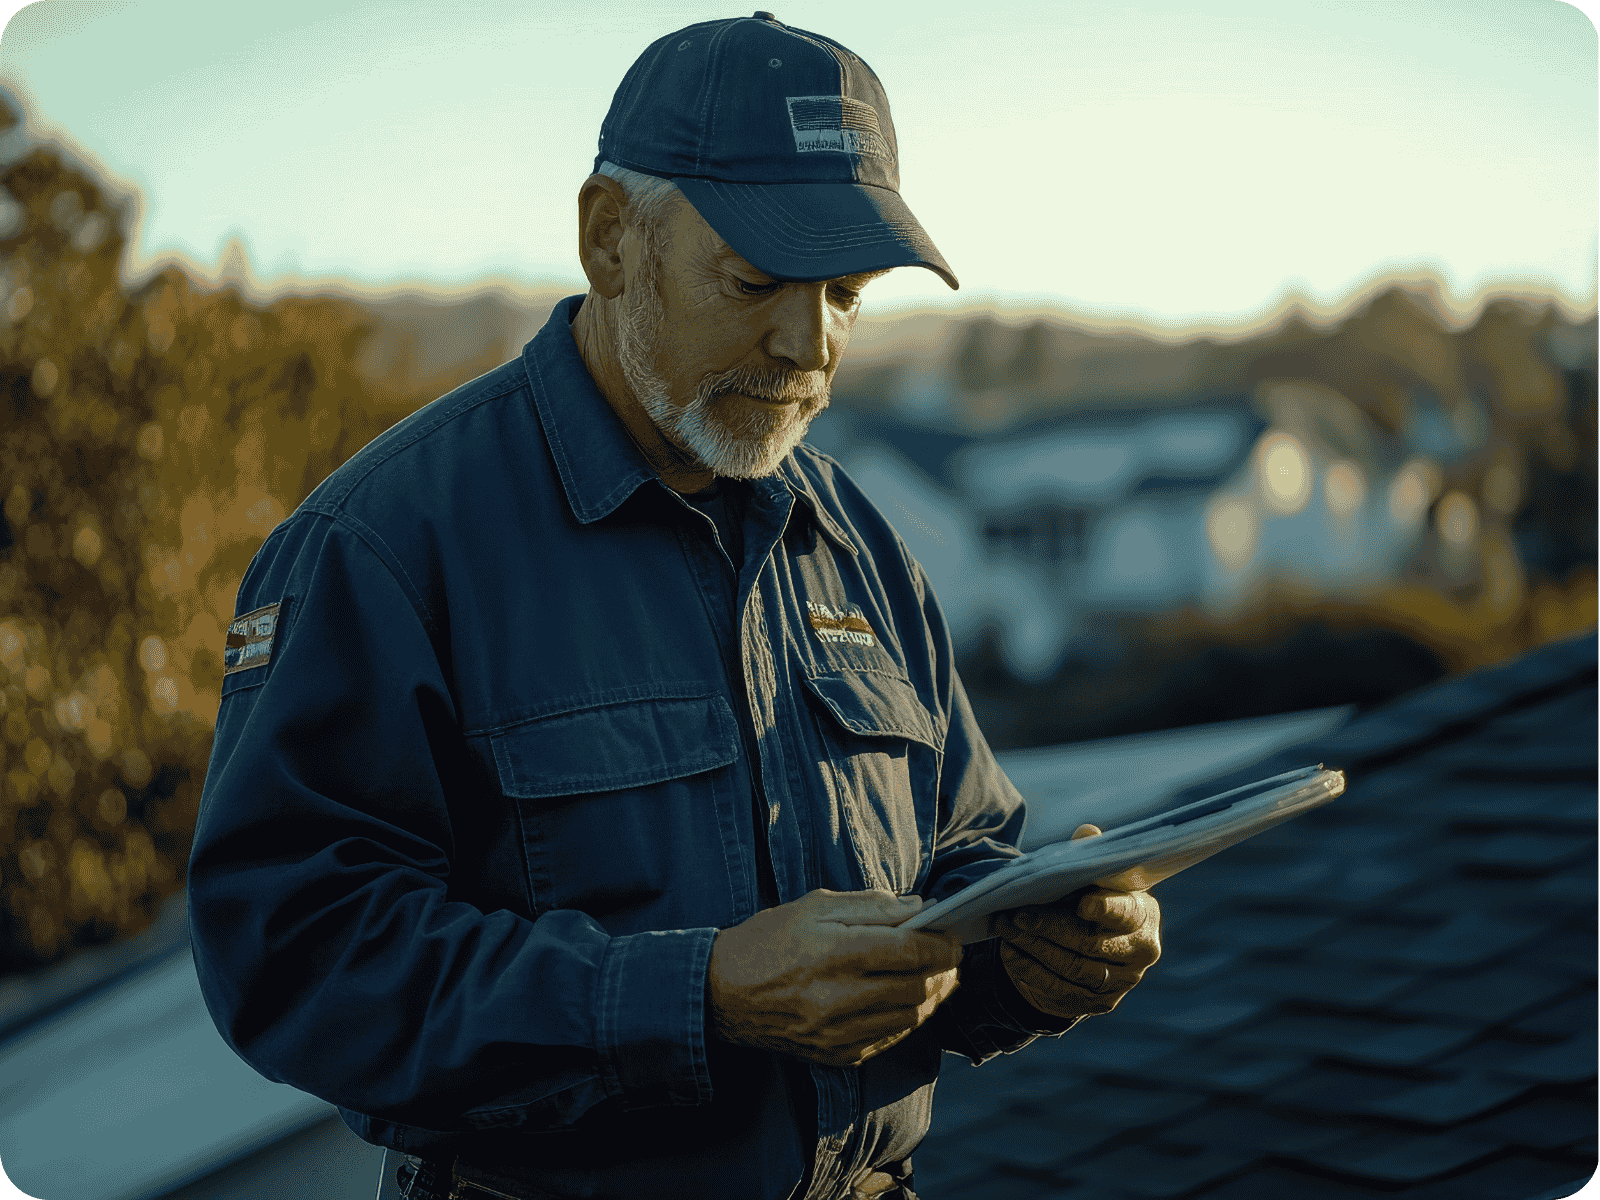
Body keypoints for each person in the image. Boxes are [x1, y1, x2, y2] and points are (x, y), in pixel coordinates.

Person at [187, 13, 1161, 1200]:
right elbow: (295, 960)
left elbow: (963, 851)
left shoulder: (860, 544)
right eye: (754, 279)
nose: (808, 343)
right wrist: (696, 994)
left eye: (845, 293)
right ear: (608, 239)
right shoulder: (381, 547)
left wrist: (1035, 954)